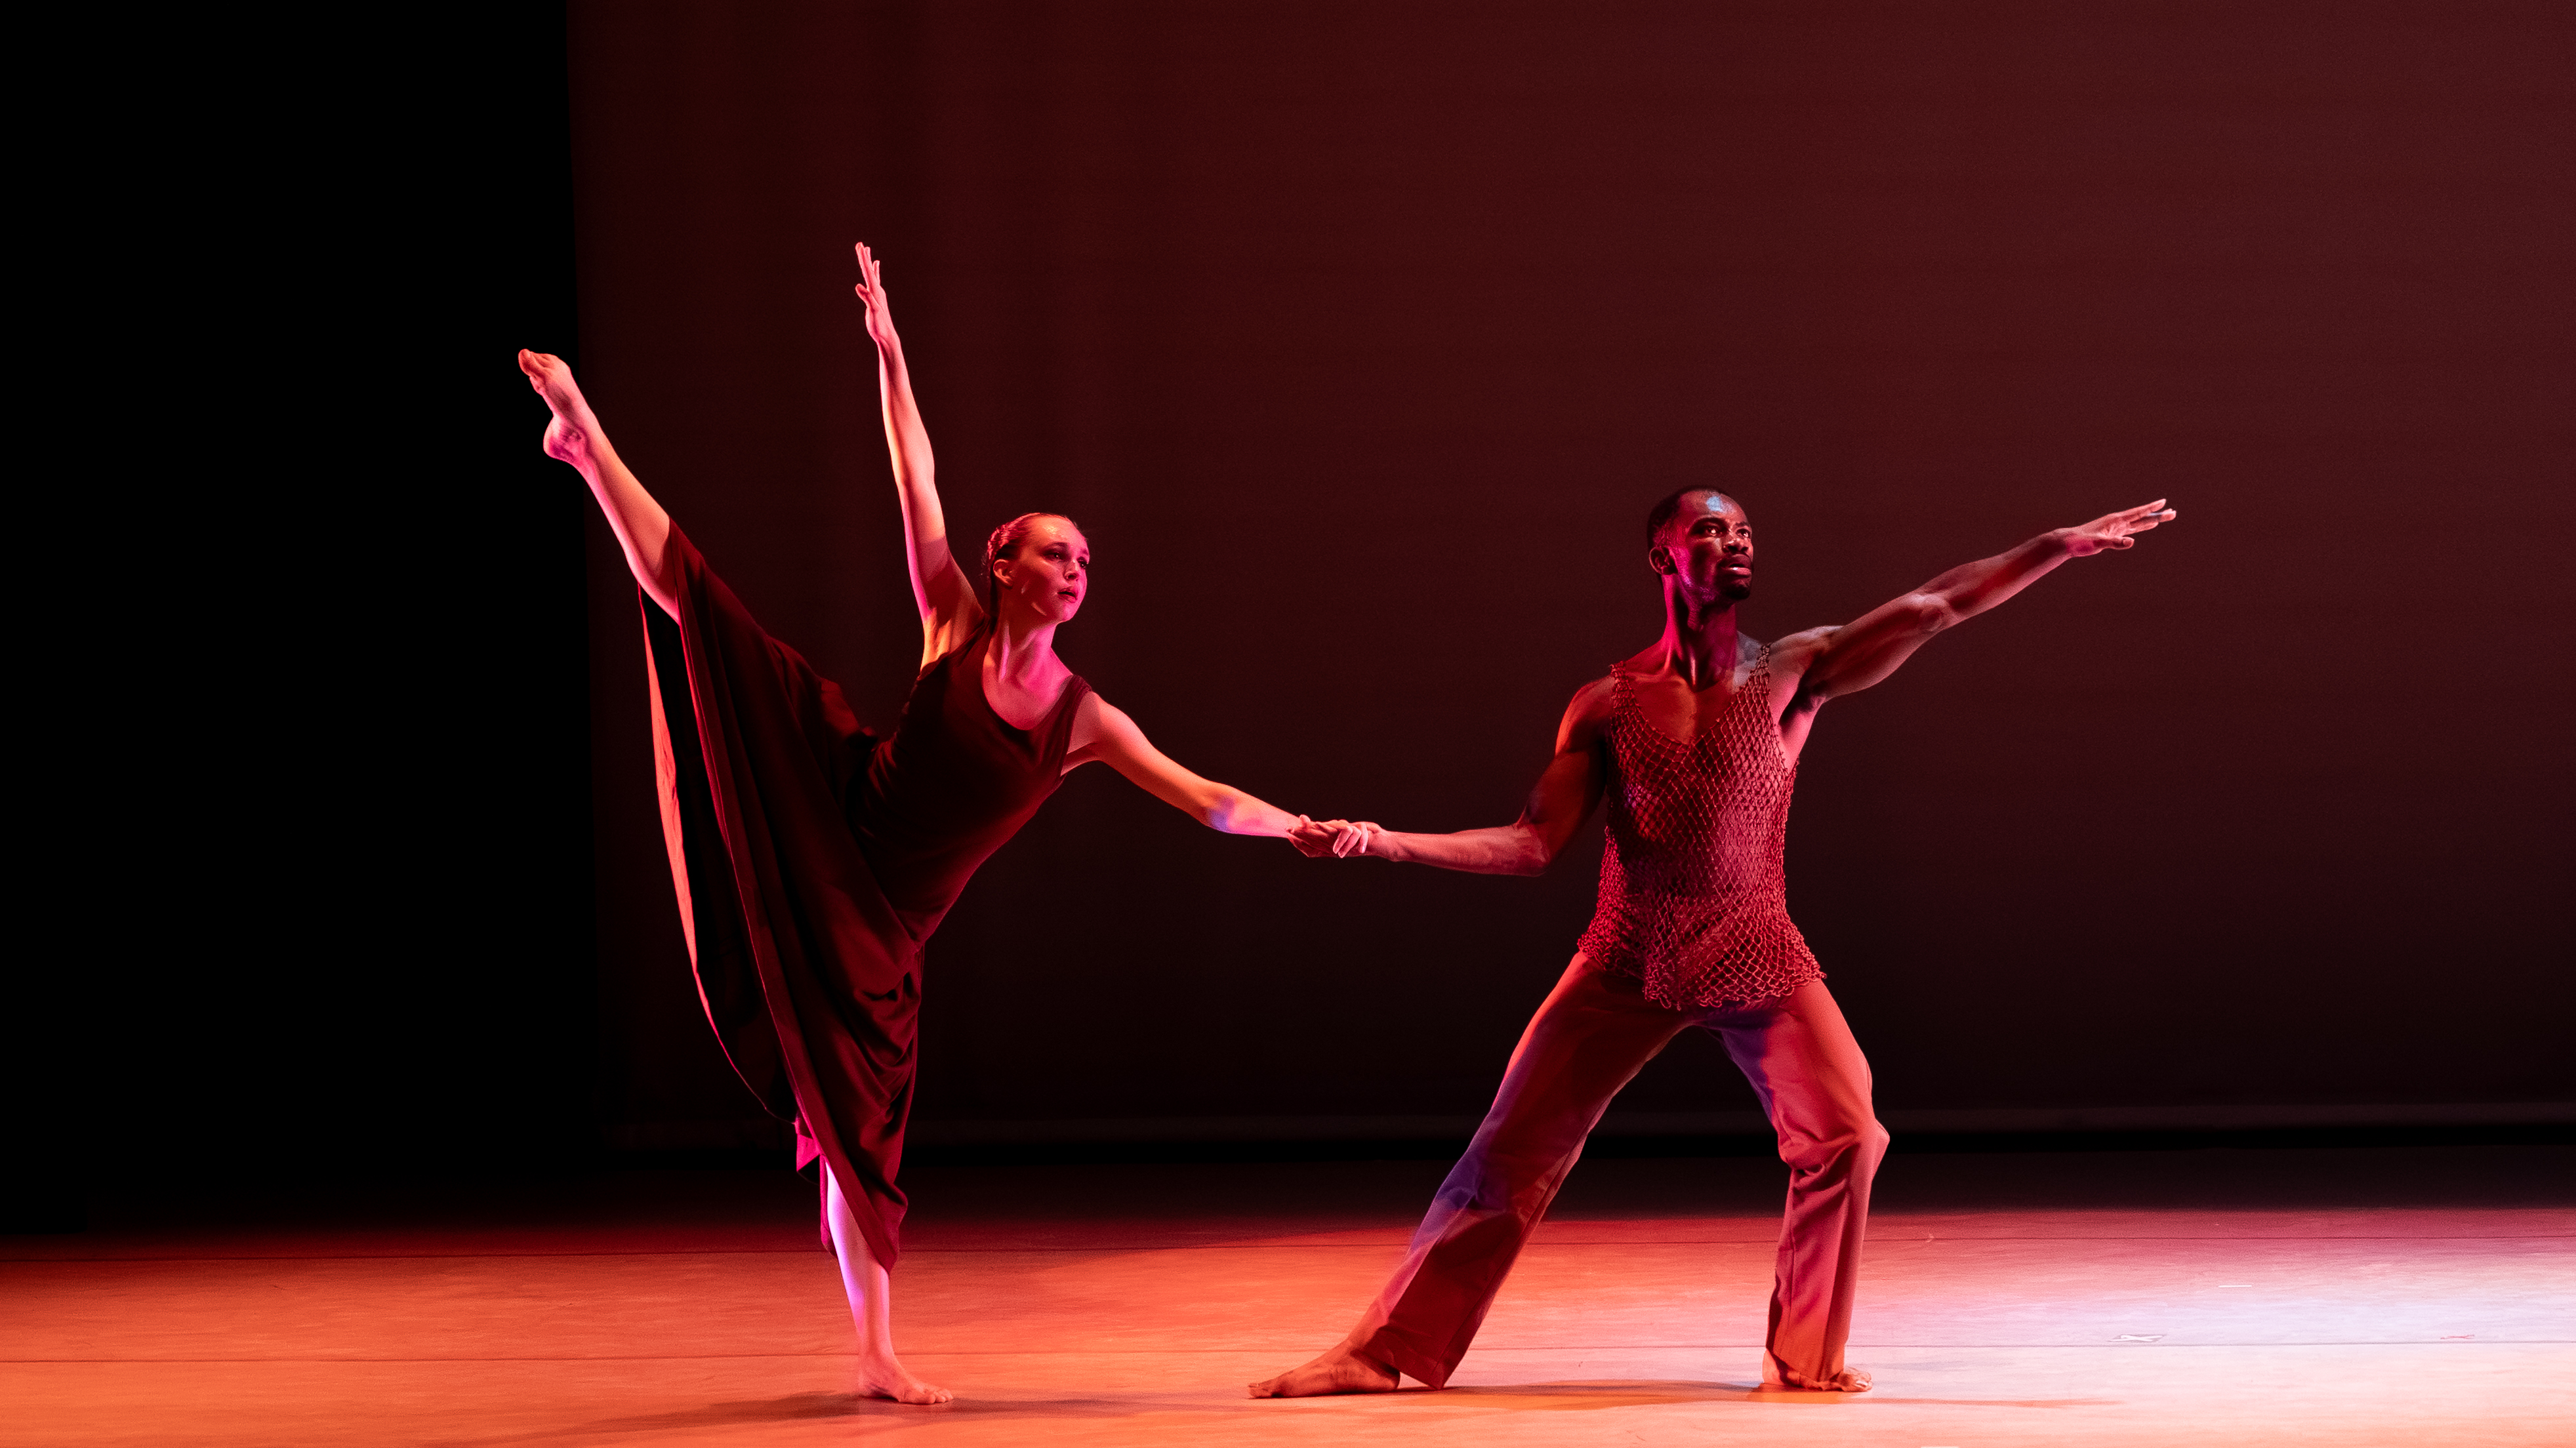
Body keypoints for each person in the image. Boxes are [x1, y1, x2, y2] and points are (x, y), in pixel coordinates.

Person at [521, 243, 1325, 1405]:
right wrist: (891, 354)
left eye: (1087, 560)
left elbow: (1207, 799)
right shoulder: (950, 615)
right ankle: (587, 444)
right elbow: (915, 480)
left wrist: (1297, 825)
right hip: (830, 810)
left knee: (862, 1143)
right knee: (715, 624)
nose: (1076, 569)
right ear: (1004, 562)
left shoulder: (1085, 719)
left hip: (885, 935)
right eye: (1057, 550)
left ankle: (874, 1355)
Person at [1252, 488, 2177, 1398]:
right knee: (1508, 1150)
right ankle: (1382, 1353)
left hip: (1754, 944)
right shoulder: (1605, 705)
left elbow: (1936, 607)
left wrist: (2054, 547)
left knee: (1848, 1135)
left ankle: (1805, 1361)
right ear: (1663, 557)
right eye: (1709, 530)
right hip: (1628, 950)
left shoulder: (1796, 670)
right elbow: (1531, 844)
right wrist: (1385, 839)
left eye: (1744, 531)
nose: (1734, 543)